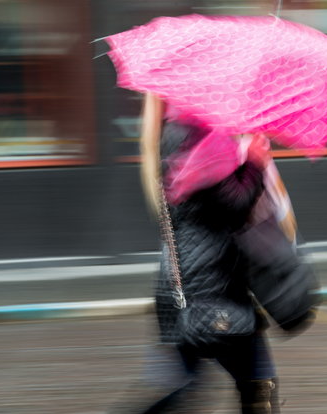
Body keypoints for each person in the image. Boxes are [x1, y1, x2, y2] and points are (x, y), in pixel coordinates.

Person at [114, 93, 288, 414]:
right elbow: (233, 207)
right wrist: (254, 161)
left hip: (183, 282)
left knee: (185, 380)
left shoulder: (173, 134)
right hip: (214, 288)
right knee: (258, 383)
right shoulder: (208, 141)